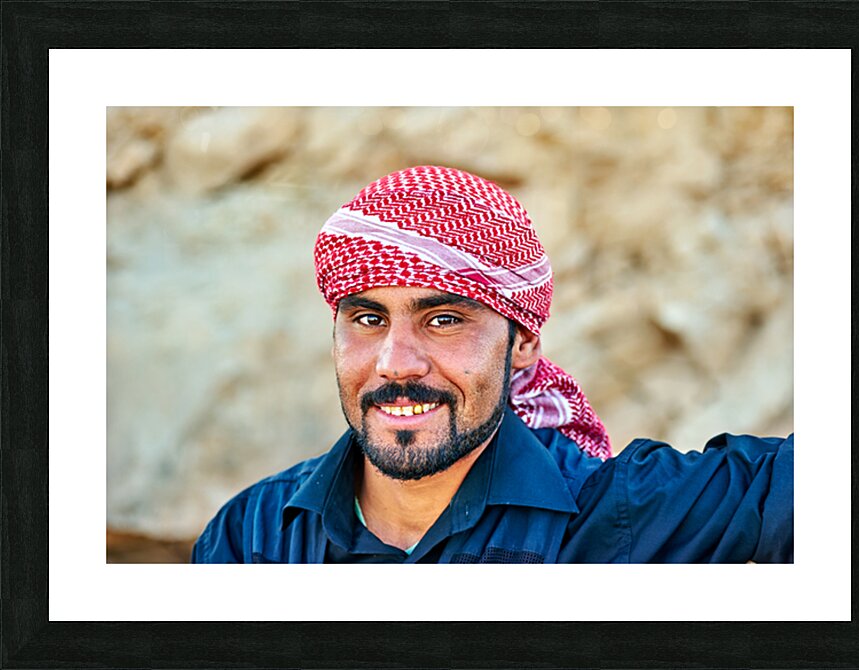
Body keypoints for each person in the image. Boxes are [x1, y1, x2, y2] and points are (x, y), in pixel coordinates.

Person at [191, 165, 793, 564]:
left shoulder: (622, 518)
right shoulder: (252, 538)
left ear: (524, 342)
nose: (396, 364)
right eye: (369, 319)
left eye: (444, 320)